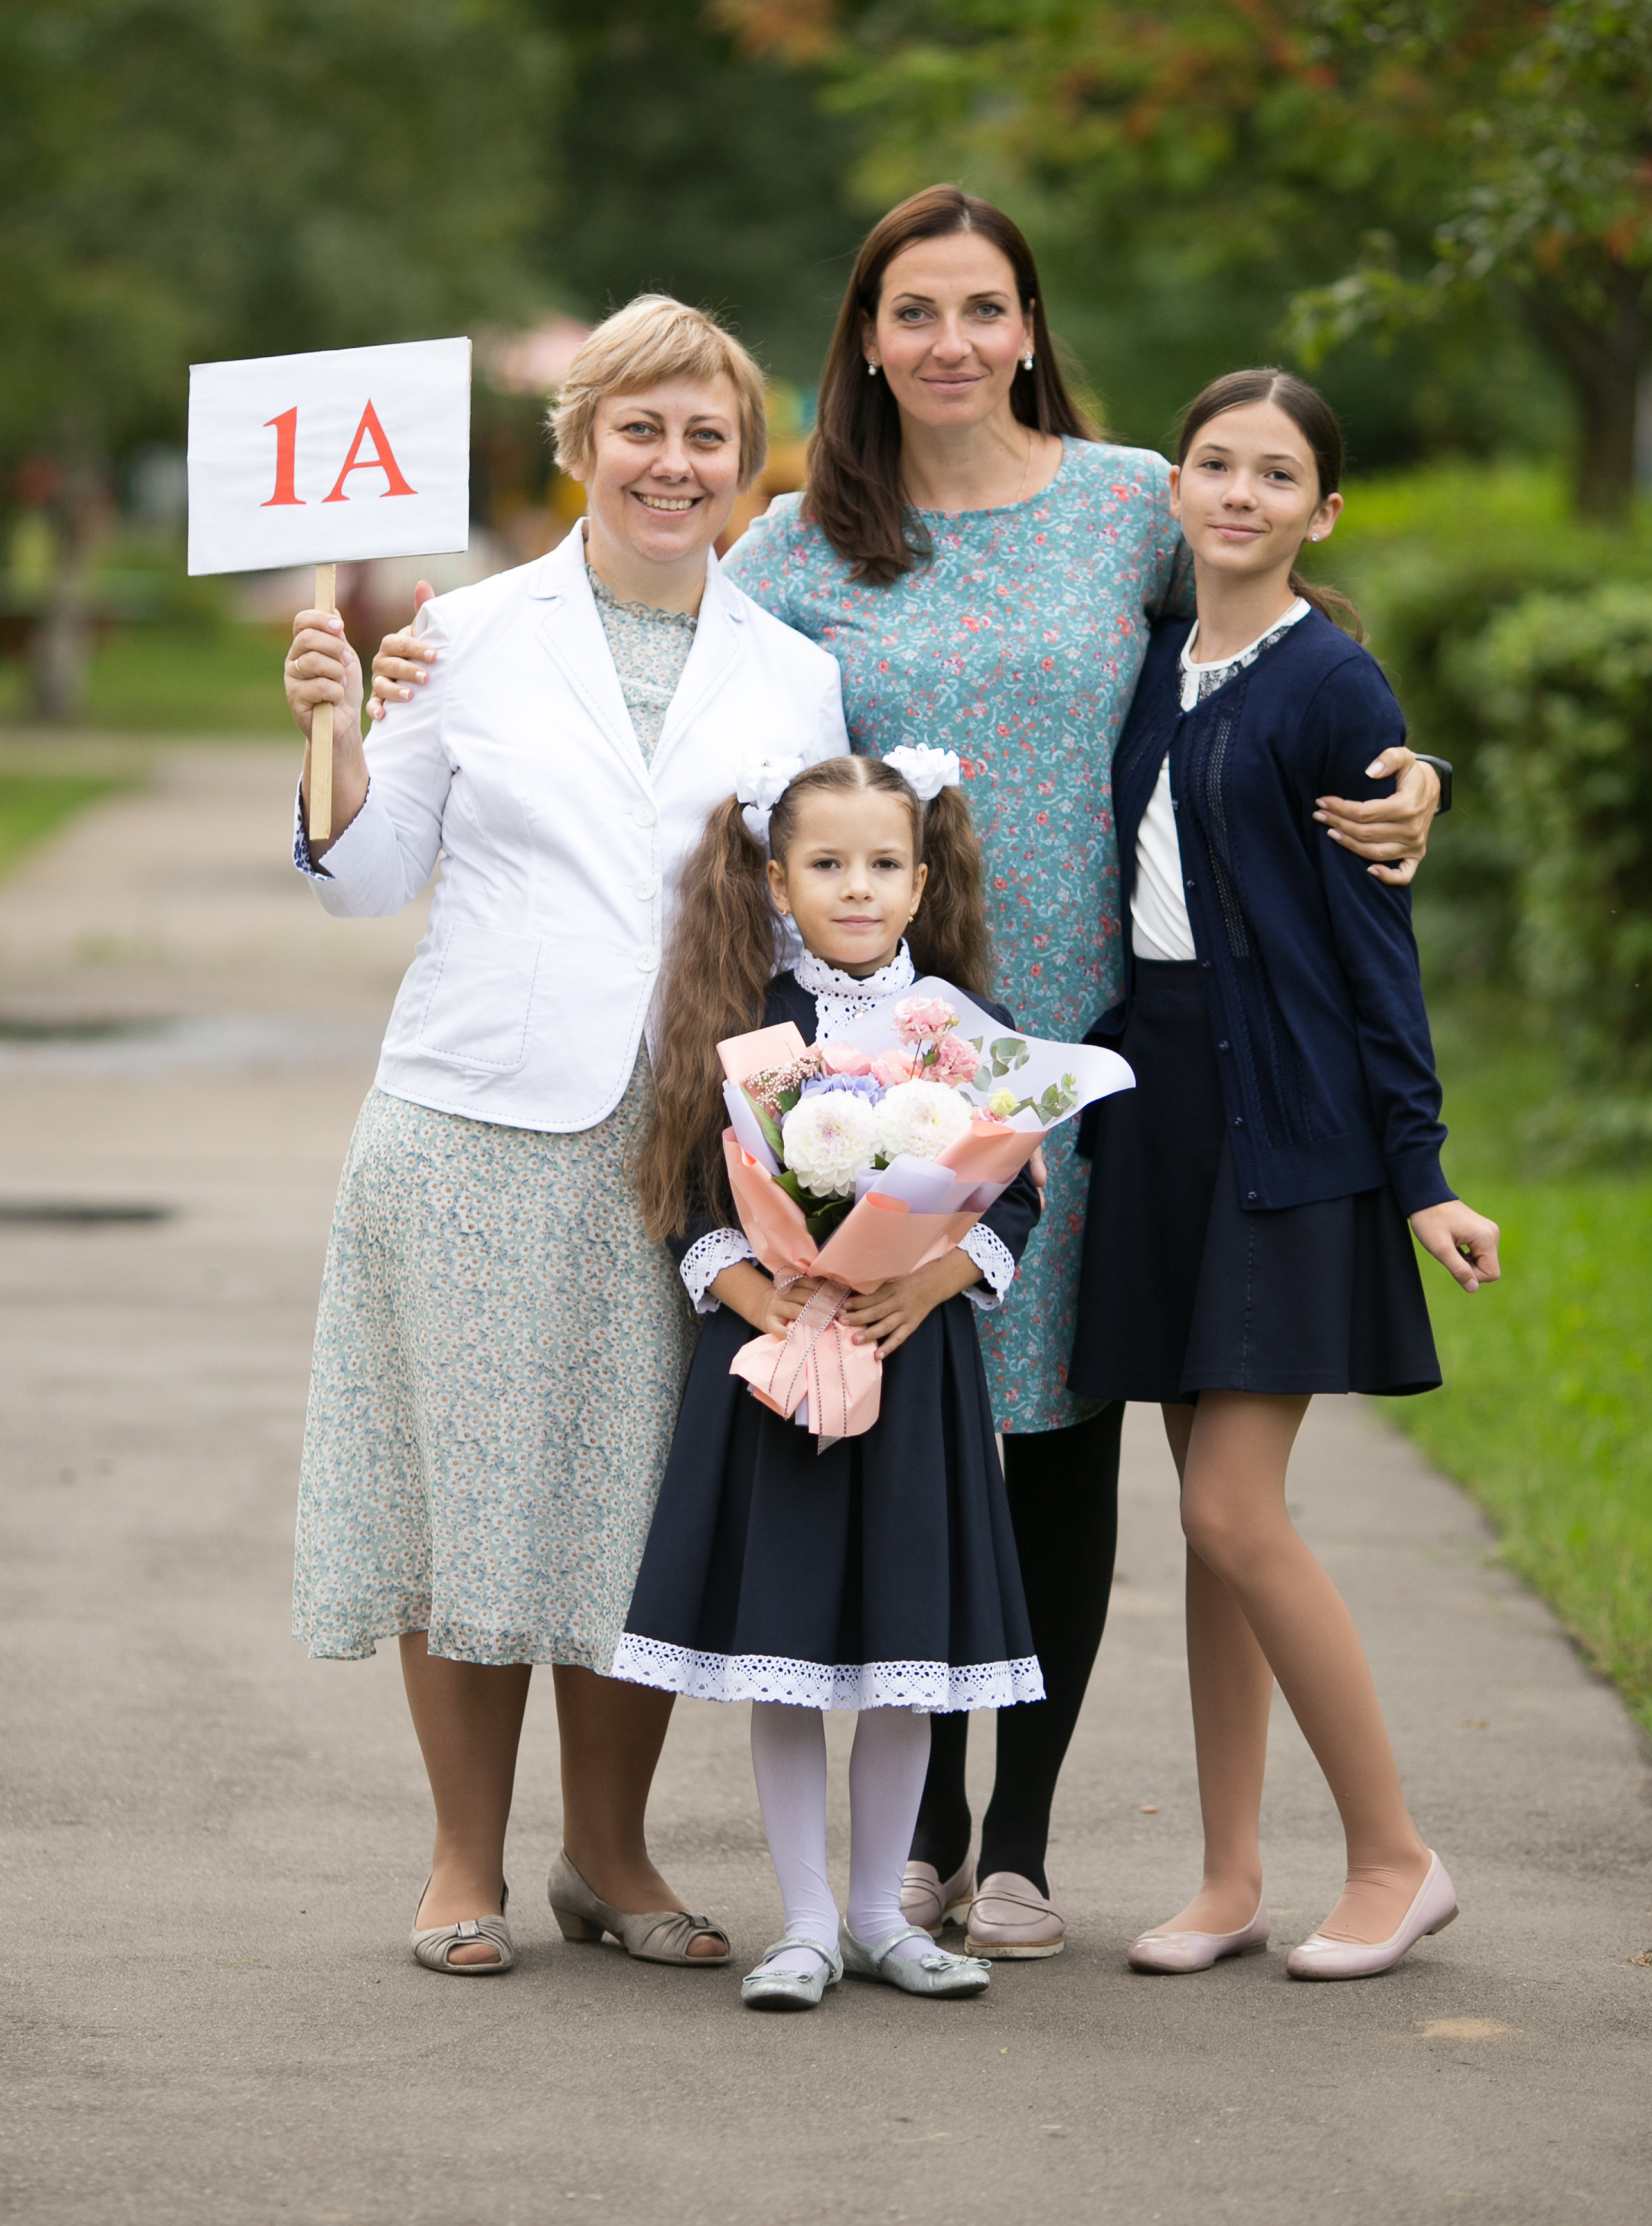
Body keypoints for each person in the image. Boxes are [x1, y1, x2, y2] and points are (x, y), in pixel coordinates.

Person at [367, 186, 1443, 1955]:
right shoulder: (795, 541)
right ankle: (912, 1839)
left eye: (983, 307)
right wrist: (424, 658)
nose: (951, 341)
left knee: (1055, 1434)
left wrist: (1416, 766)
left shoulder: (1125, 504)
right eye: (913, 310)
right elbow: (654, 671)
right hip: (870, 1064)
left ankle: (1017, 1839)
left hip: (1083, 1047)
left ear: (1028, 327)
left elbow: (1272, 634)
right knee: (899, 1424)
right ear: (863, 338)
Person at [281, 294, 846, 1976]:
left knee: (631, 1508)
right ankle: (462, 1860)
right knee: (468, 1497)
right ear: (580, 443)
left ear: (746, 464)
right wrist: (329, 729)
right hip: (471, 1125)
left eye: (705, 435)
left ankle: (609, 1853)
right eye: (639, 429)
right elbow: (368, 880)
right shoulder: (460, 634)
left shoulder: (796, 671)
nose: (672, 463)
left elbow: (816, 920)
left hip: (681, 1152)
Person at [1069, 368, 1501, 1982]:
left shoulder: (1330, 678)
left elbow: (1374, 945)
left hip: (1288, 1123)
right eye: (1213, 463)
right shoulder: (1152, 661)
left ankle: (1395, 1855)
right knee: (1210, 1523)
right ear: (1174, 487)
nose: (1237, 493)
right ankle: (1228, 1873)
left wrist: (1420, 1170)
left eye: (1273, 473)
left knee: (1229, 1504)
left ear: (1321, 510)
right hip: (1160, 1109)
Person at [614, 751, 1043, 2011]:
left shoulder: (958, 1028)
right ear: (775, 880)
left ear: (921, 882)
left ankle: (876, 1916)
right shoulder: (744, 1020)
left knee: (905, 1649)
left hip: (912, 1369)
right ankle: (803, 1920)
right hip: (780, 1373)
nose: (856, 887)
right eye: (826, 863)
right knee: (788, 1647)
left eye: (882, 863)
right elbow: (692, 1189)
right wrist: (759, 1293)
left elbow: (1012, 1191)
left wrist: (934, 1277)